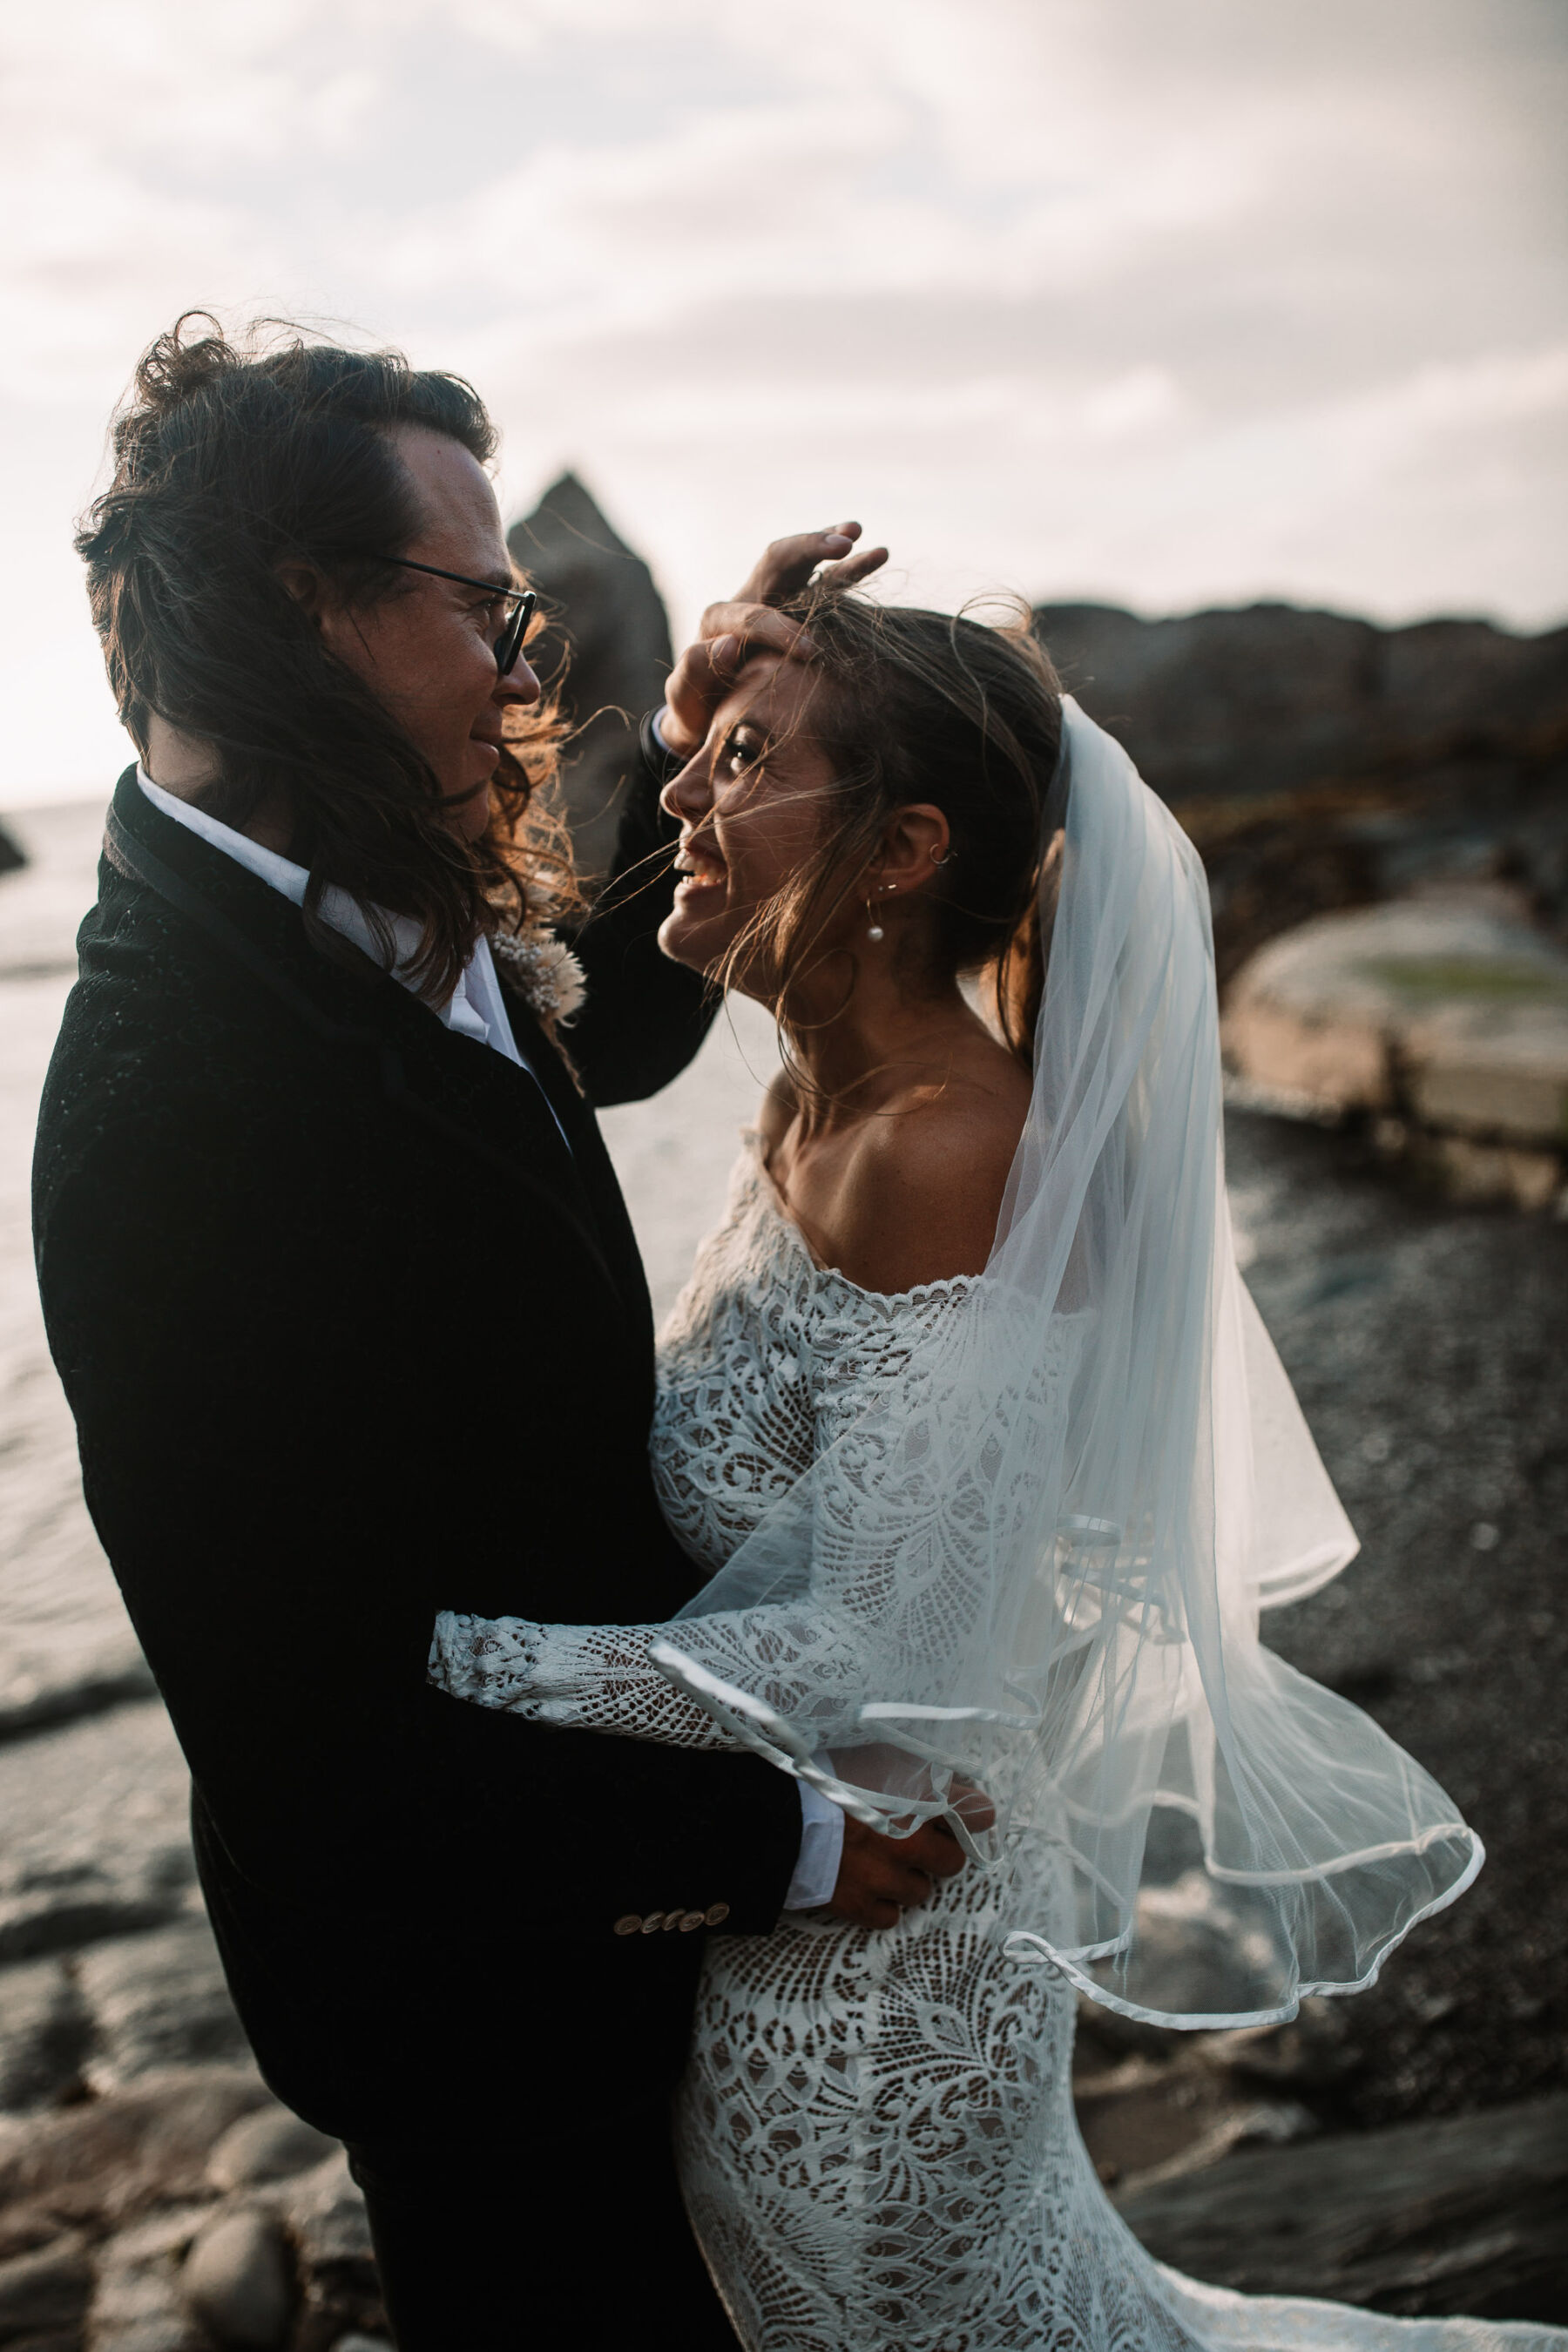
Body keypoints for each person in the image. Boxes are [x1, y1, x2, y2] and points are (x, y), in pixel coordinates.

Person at [431, 589, 1565, 2349]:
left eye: (743, 761)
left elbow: (872, 1636)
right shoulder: (811, 1106)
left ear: (903, 850)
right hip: (782, 1901)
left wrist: (446, 1659)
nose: (673, 806)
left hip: (891, 1960)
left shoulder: (945, 1149)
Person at [31, 314, 965, 2349]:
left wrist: (706, 722)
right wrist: (790, 1841)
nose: (528, 665)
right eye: (487, 611)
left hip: (623, 1904)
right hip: (479, 2015)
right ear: (310, 612)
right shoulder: (161, 1114)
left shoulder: (369, 883)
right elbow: (312, 1753)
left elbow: (603, 1025)